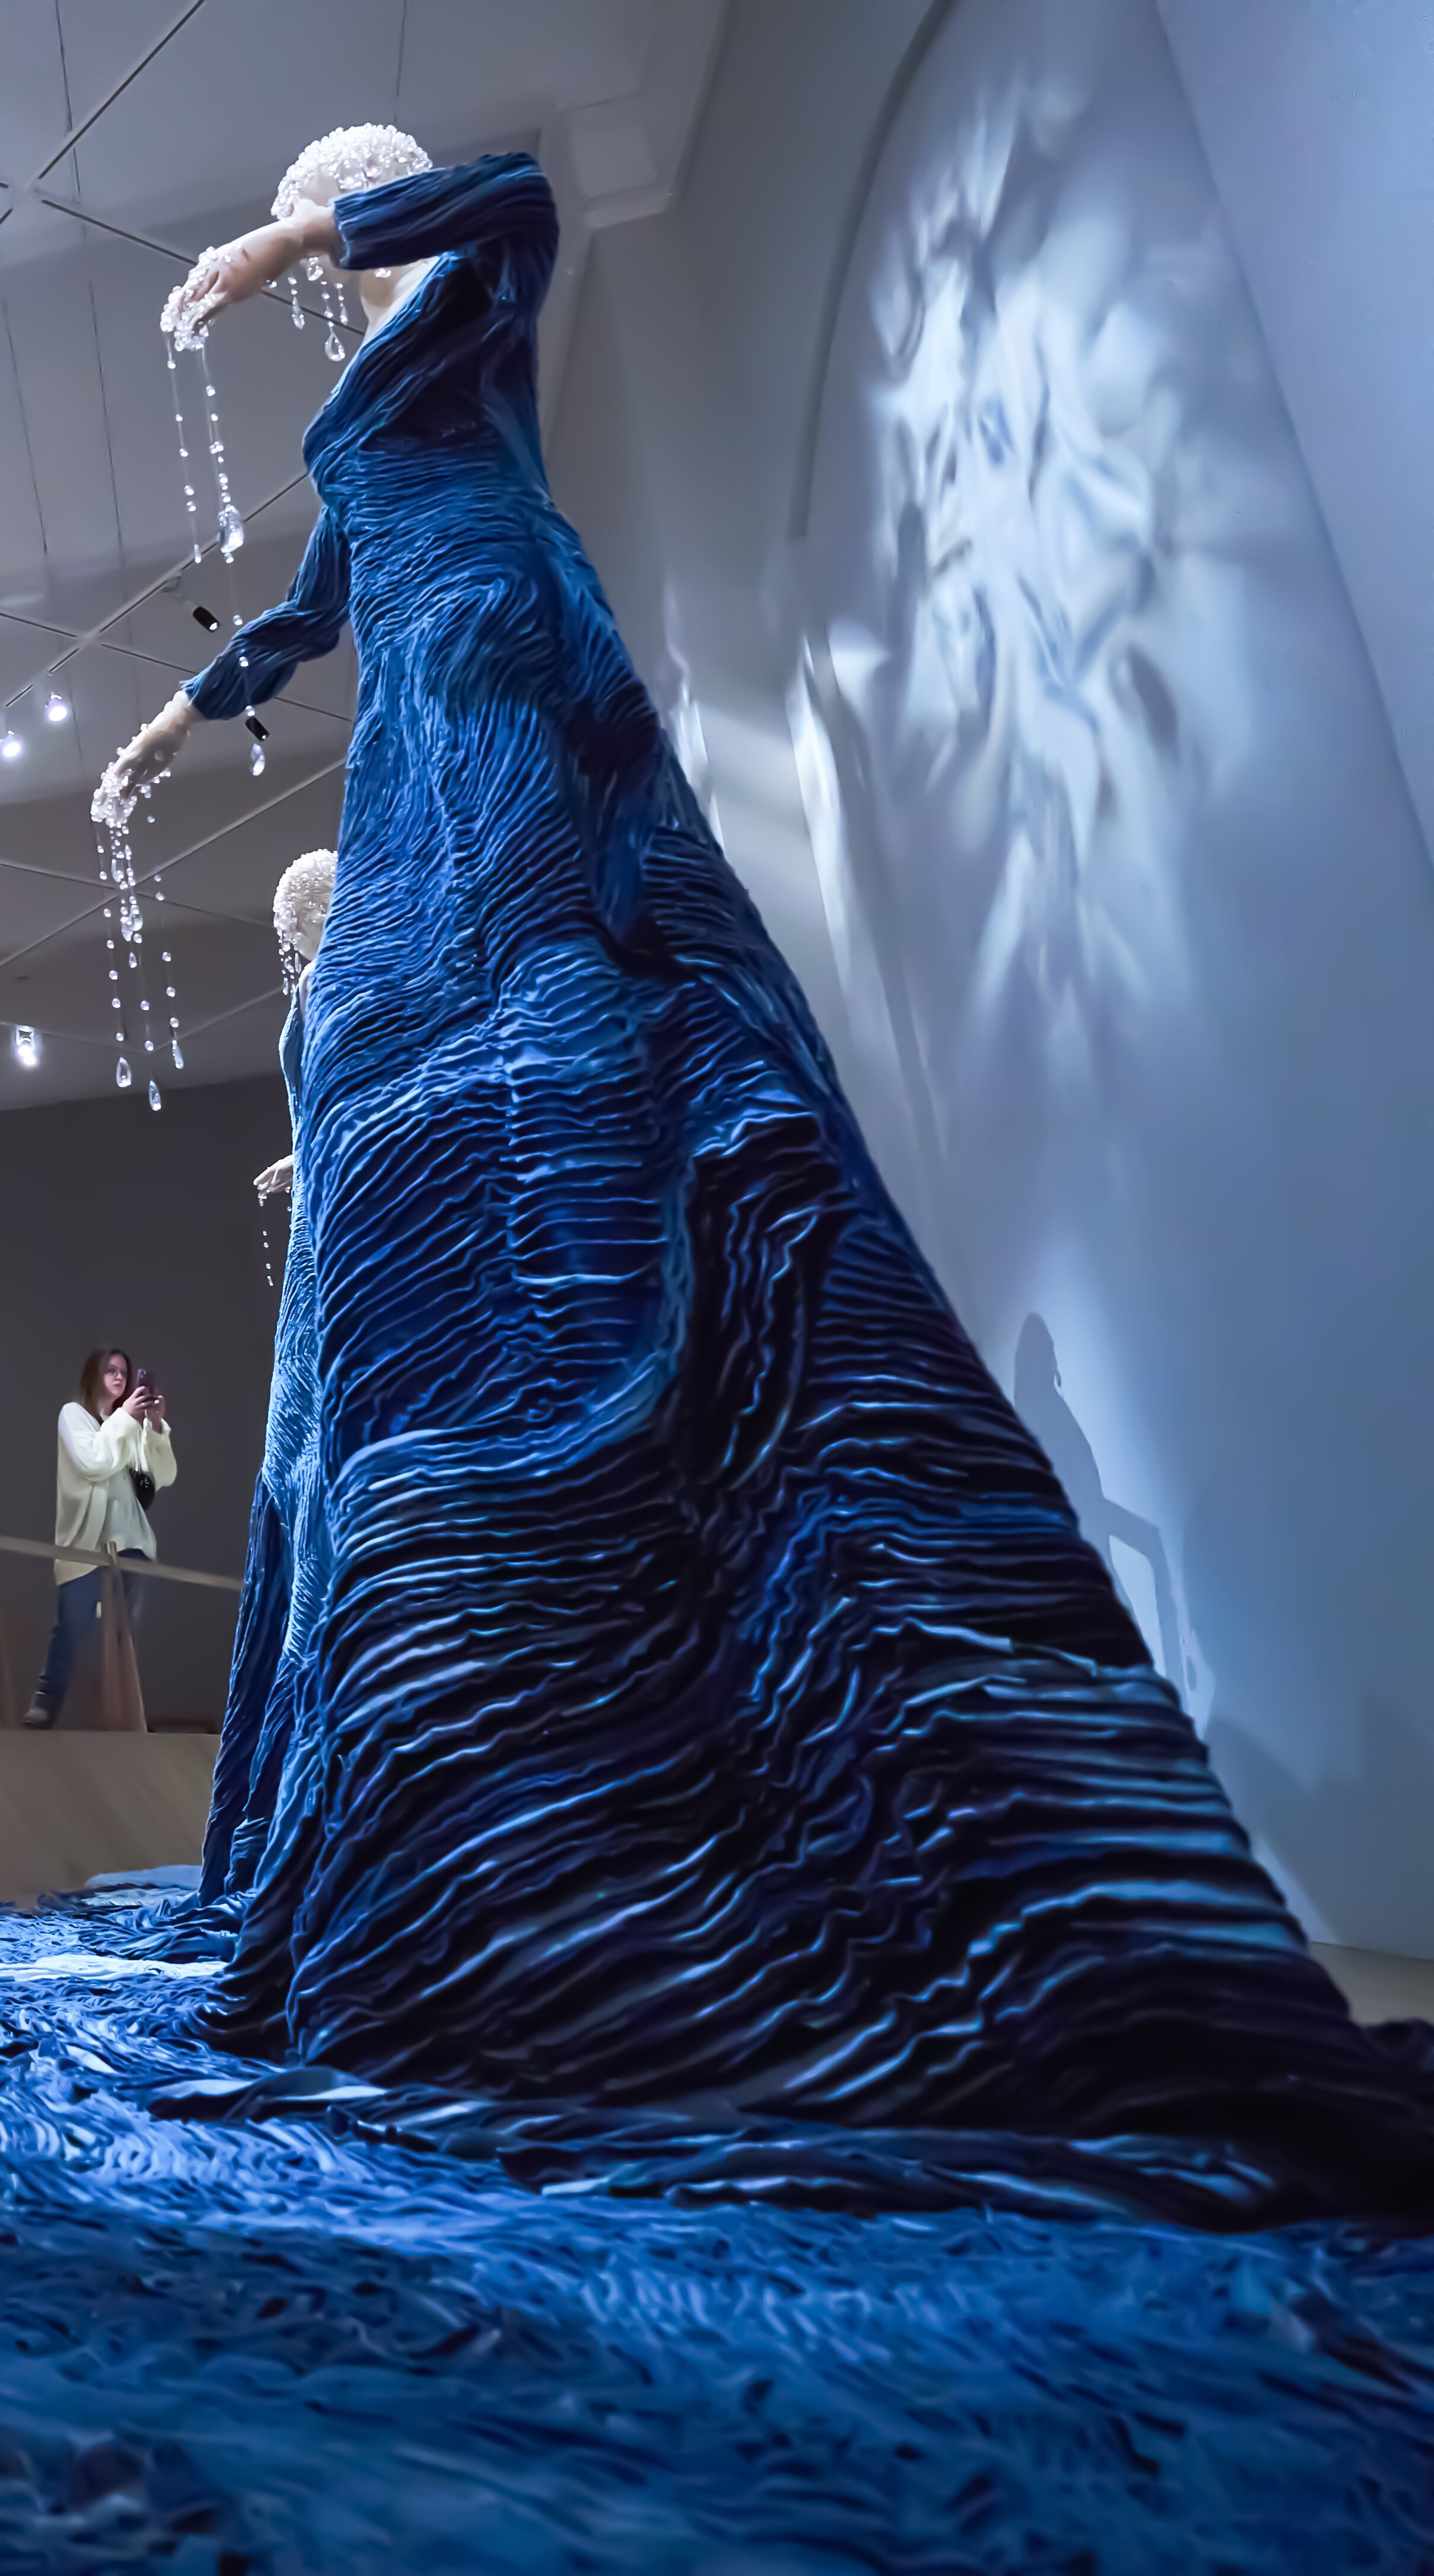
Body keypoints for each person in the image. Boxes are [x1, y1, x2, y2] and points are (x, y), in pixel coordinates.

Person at [104, 126, 1424, 2208]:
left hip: (510, 674)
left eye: (343, 193)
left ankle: (632, 1573)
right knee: (402, 1099)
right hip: (413, 716)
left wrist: (303, 231)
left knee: (542, 1022)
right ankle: (450, 1690)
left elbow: (522, 187)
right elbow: (309, 610)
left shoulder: (470, 306)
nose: (324, 234)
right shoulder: (366, 414)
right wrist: (177, 724)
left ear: (371, 197)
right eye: (316, 201)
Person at [26, 1348, 174, 1729]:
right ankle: (47, 1706)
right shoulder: (73, 1415)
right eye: (111, 1370)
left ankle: (127, 1716)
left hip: (132, 1544)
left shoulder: (127, 1425)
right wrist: (126, 1419)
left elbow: (163, 1475)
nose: (120, 1376)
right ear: (93, 1375)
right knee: (71, 1627)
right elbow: (92, 1462)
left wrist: (155, 1426)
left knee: (123, 1638)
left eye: (124, 1371)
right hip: (87, 1546)